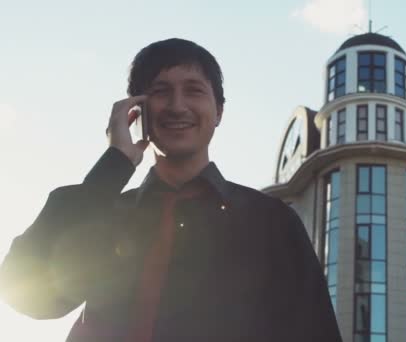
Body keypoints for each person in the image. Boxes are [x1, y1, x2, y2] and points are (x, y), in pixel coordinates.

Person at [0, 38, 342, 342]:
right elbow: (28, 295)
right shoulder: (104, 212)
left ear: (219, 111)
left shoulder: (272, 222)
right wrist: (113, 166)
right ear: (136, 110)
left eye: (194, 90)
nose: (177, 106)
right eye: (161, 91)